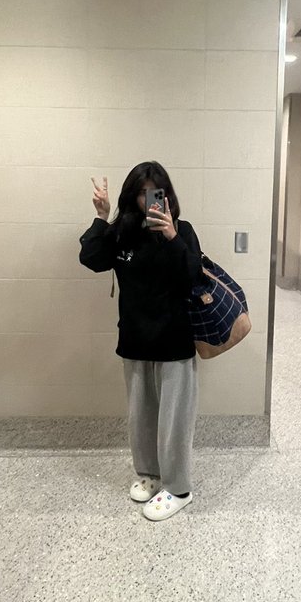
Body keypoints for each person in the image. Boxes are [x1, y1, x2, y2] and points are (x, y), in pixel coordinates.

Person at [79, 161, 203, 521]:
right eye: (141, 193)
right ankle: (150, 474)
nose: (148, 200)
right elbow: (91, 258)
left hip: (174, 342)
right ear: (131, 196)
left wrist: (172, 236)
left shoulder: (183, 231)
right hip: (135, 339)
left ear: (166, 196)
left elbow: (193, 277)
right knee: (141, 417)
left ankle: (178, 488)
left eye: (154, 192)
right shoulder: (123, 232)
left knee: (173, 421)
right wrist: (101, 217)